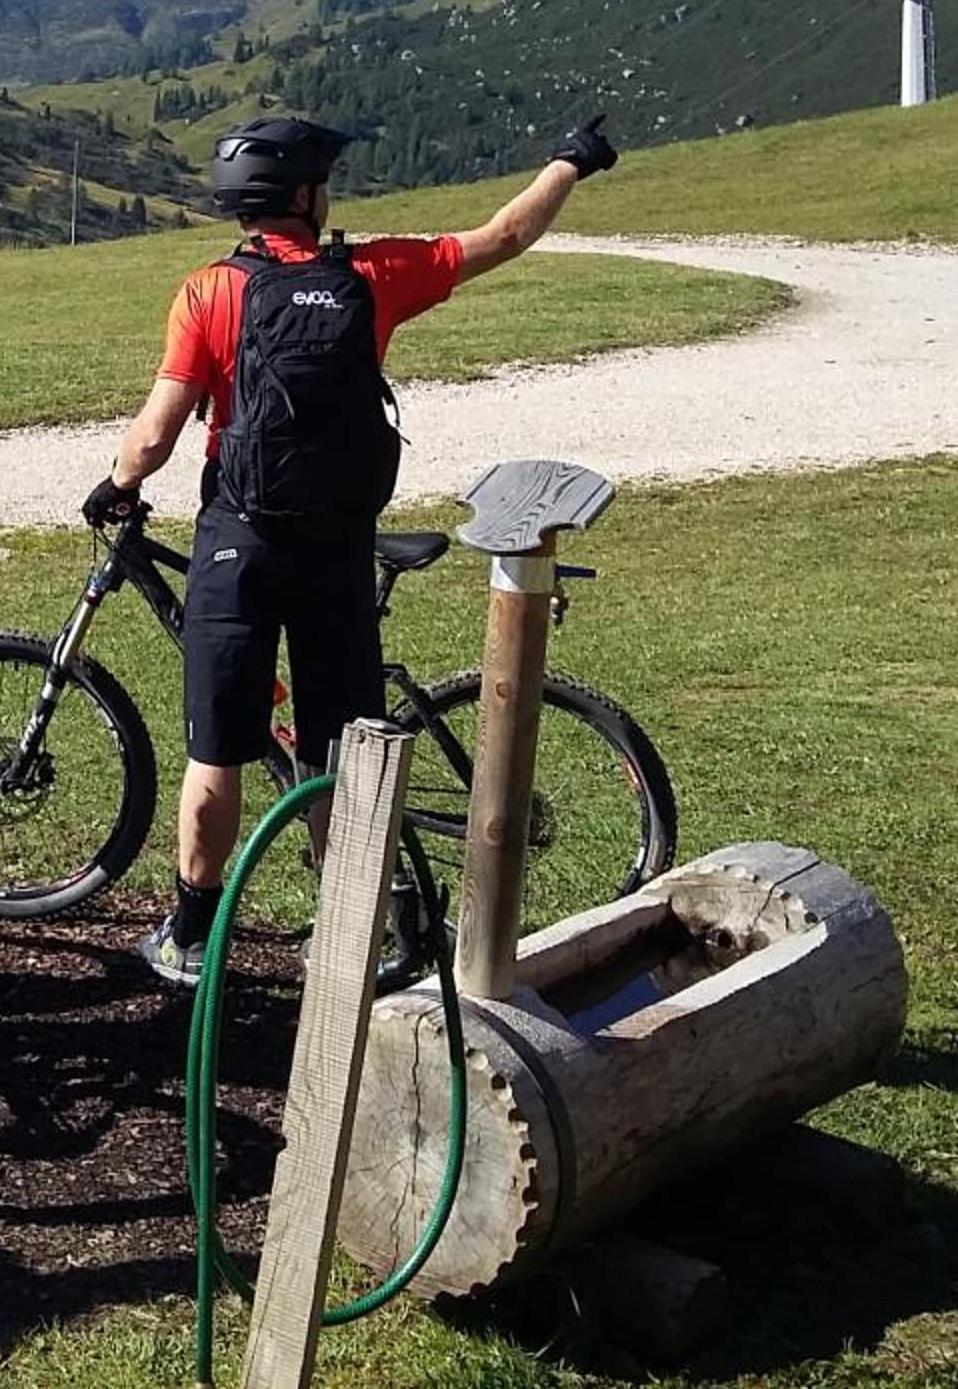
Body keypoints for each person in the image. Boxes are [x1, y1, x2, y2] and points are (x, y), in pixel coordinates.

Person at [84, 112, 618, 986]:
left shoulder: (209, 293)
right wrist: (570, 161)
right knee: (342, 754)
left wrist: (116, 485)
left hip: (241, 542)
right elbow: (504, 236)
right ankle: (353, 944)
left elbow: (153, 438)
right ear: (303, 195)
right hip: (336, 548)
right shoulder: (370, 277)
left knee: (216, 754)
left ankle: (190, 938)